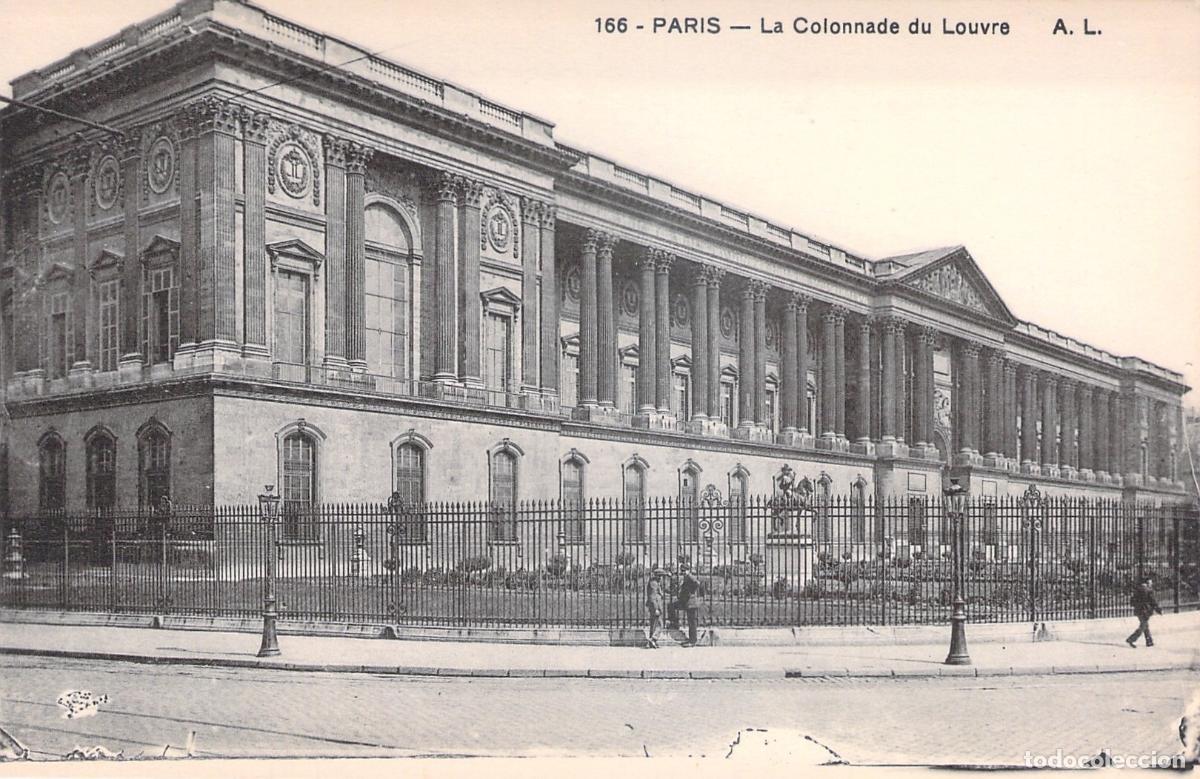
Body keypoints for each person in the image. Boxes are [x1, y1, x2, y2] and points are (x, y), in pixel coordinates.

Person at [673, 560, 704, 647]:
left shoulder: (689, 576)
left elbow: (697, 583)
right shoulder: (687, 577)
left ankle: (692, 641)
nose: (682, 572)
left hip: (691, 603)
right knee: (691, 622)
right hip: (689, 602)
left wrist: (691, 592)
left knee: (692, 622)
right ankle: (691, 640)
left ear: (688, 570)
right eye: (681, 570)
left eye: (684, 570)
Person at [1126, 575, 1162, 648]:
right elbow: (1153, 601)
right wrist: (1158, 609)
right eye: (1150, 582)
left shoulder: (1137, 590)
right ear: (1147, 582)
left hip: (1138, 610)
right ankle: (1131, 639)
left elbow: (1132, 601)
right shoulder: (1148, 590)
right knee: (1143, 626)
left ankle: (1149, 641)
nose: (1151, 583)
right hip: (1145, 610)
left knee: (1145, 625)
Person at [645, 567, 666, 649]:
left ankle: (652, 642)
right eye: (660, 576)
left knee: (654, 624)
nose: (661, 578)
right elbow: (653, 597)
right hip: (655, 606)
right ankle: (653, 638)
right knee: (660, 624)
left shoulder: (655, 582)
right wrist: (656, 608)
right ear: (657, 576)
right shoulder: (653, 583)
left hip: (655, 606)